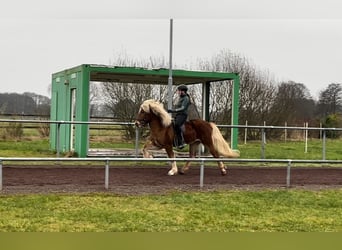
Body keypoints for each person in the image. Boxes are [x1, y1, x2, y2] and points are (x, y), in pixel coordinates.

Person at [168, 85, 191, 149]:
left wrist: (173, 110)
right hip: (178, 115)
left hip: (183, 115)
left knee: (177, 125)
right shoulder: (180, 98)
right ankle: (175, 141)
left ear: (183, 91)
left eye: (179, 91)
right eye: (178, 91)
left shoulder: (186, 98)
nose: (178, 92)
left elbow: (183, 108)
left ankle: (181, 142)